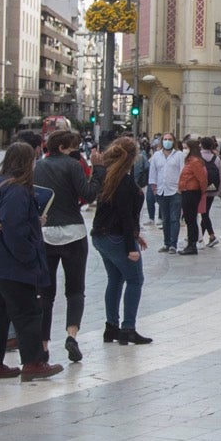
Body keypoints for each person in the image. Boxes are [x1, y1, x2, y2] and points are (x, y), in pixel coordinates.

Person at [0, 142, 61, 382]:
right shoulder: (17, 190)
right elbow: (15, 229)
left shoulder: (0, 183)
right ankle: (33, 362)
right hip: (11, 262)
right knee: (28, 311)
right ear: (26, 162)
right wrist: (29, 257)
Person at [35, 129, 99, 364]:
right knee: (75, 290)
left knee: (46, 294)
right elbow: (88, 194)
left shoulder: (39, 166)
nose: (76, 152)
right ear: (62, 147)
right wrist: (98, 170)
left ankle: (43, 346)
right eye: (73, 147)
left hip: (46, 233)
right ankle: (71, 336)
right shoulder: (73, 166)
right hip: (73, 231)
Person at [91, 137, 151, 345]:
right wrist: (130, 247)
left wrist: (134, 235)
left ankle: (111, 327)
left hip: (101, 236)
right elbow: (125, 216)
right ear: (132, 157)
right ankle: (128, 328)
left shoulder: (108, 177)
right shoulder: (123, 181)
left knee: (115, 280)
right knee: (135, 280)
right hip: (117, 237)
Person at [148, 134, 184, 252]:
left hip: (175, 191)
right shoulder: (156, 156)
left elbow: (183, 173)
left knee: (174, 218)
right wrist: (154, 188)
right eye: (165, 139)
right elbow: (153, 173)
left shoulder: (179, 155)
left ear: (174, 142)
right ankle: (166, 243)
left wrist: (180, 188)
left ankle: (173, 244)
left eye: (169, 140)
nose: (167, 142)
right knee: (165, 219)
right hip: (161, 191)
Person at [177, 139, 208, 255]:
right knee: (189, 219)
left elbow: (202, 179)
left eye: (186, 148)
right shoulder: (190, 161)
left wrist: (202, 192)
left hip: (192, 192)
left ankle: (192, 245)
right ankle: (190, 243)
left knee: (191, 220)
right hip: (187, 191)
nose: (184, 150)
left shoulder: (195, 162)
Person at [198, 136, 221, 248]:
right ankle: (201, 236)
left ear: (201, 145)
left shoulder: (198, 158)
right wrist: (219, 190)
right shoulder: (216, 159)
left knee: (204, 213)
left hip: (200, 191)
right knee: (205, 212)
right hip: (212, 189)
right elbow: (220, 176)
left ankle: (211, 235)